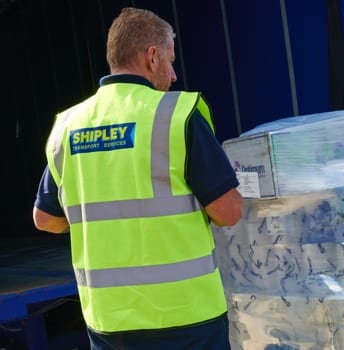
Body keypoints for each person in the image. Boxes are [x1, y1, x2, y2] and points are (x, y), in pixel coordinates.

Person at [33, 7, 243, 350]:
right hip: (186, 318)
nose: (173, 75)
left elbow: (45, 219)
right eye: (171, 61)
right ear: (152, 56)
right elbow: (229, 211)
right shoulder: (176, 116)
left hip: (110, 323)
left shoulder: (69, 126)